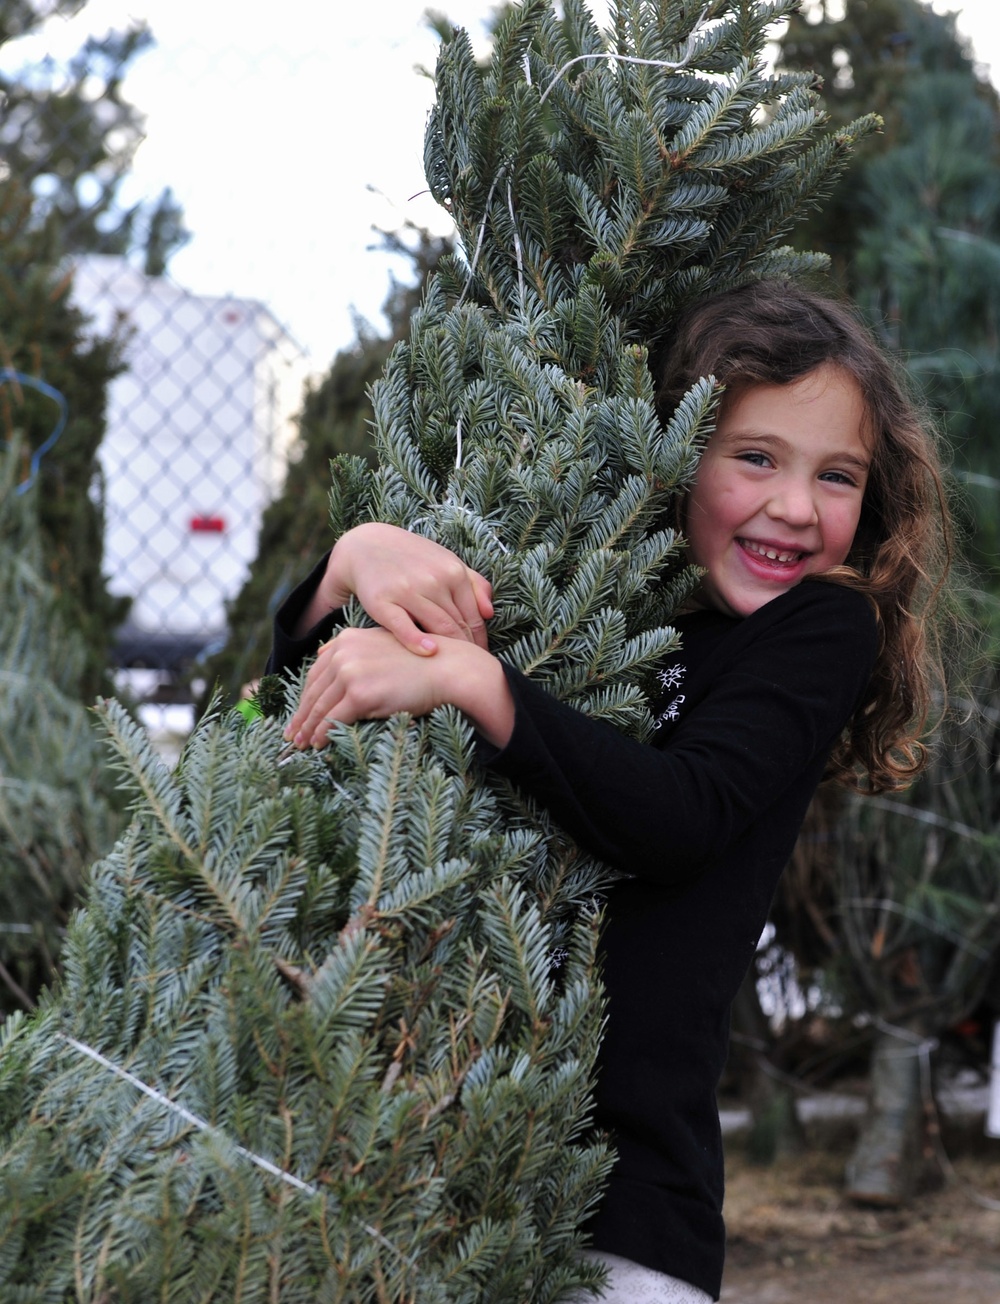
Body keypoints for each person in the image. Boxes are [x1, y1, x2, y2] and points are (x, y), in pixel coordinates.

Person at [265, 280, 951, 1303]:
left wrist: (476, 679)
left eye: (838, 474)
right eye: (755, 456)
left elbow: (676, 813)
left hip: (623, 1202)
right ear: (671, 452)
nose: (797, 507)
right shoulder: (594, 582)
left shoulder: (813, 631)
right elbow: (300, 709)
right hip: (415, 1165)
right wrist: (348, 564)